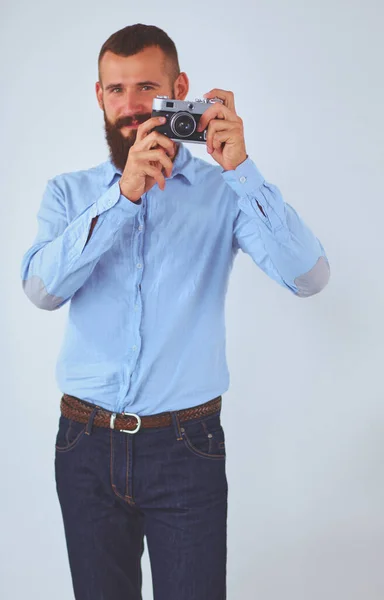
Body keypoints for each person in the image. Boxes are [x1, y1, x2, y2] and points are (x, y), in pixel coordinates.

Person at [20, 22, 330, 600]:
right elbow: (41, 290)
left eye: (147, 90)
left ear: (180, 88)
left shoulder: (224, 194)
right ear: (99, 96)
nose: (132, 108)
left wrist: (241, 170)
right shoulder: (68, 193)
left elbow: (310, 276)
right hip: (84, 446)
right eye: (116, 90)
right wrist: (123, 198)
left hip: (187, 449)